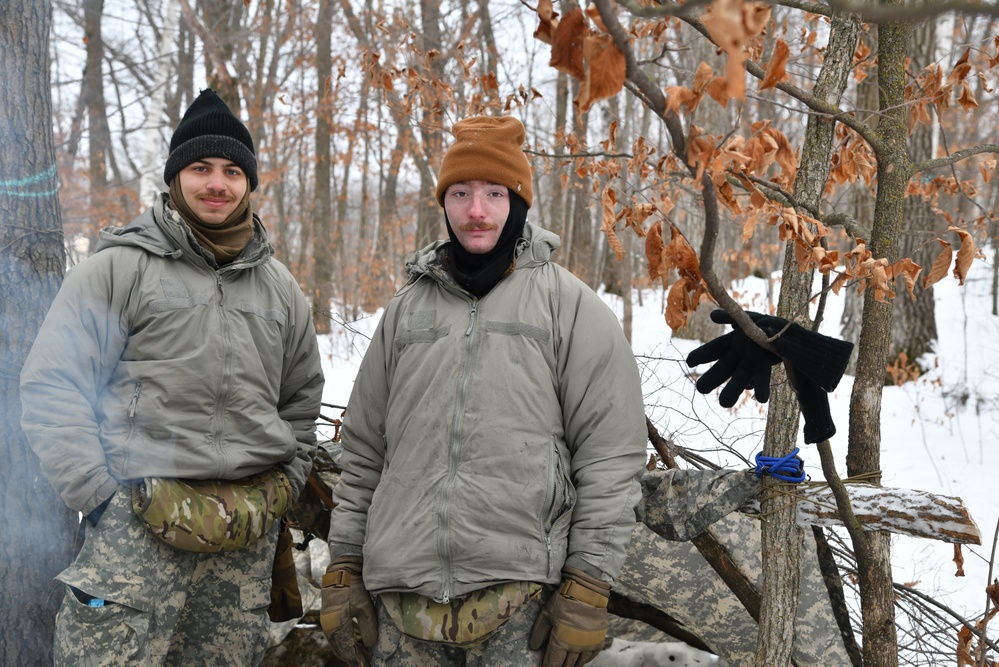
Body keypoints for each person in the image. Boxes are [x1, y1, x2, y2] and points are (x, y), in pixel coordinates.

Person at [320, 115, 648, 667]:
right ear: (443, 203)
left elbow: (610, 454)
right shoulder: (405, 311)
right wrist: (345, 566)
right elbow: (364, 450)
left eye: (494, 194)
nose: (477, 211)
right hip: (402, 604)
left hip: (521, 604)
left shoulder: (568, 305)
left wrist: (588, 585)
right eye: (461, 193)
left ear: (517, 203)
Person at [19, 88, 324, 666]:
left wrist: (286, 480)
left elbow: (302, 398)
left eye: (233, 170)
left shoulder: (281, 289)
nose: (217, 183)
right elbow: (53, 386)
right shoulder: (118, 268)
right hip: (134, 530)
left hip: (246, 533)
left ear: (249, 182)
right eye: (201, 167)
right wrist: (99, 492)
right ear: (175, 176)